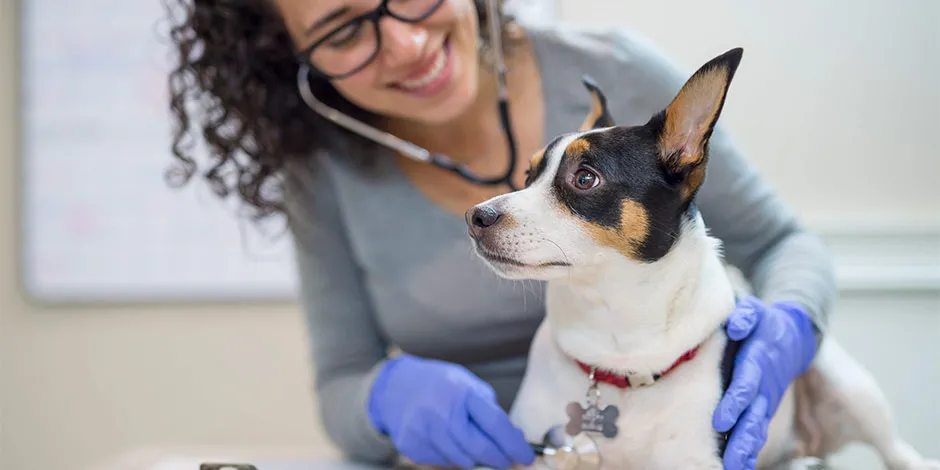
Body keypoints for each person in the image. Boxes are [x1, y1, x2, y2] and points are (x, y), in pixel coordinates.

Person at [163, 1, 836, 469]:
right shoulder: (324, 168)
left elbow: (782, 243)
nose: (405, 43)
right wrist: (383, 401)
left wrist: (793, 326)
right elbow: (340, 378)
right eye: (343, 32)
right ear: (293, 60)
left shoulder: (621, 72)